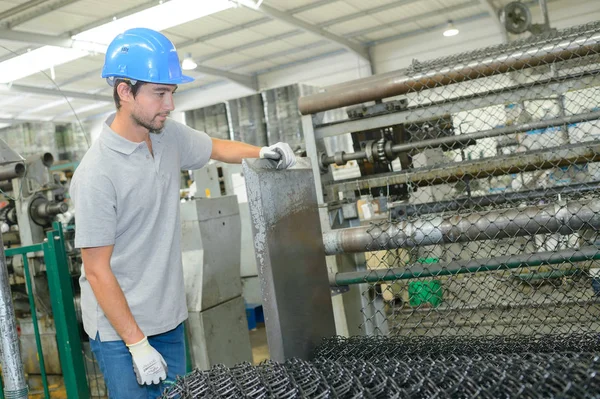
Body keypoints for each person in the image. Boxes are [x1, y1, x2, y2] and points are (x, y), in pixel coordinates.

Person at [70, 27, 296, 399]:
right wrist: (137, 344)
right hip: (121, 333)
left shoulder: (167, 135)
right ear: (125, 91)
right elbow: (96, 269)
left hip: (169, 319)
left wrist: (263, 153)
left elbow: (216, 148)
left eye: (171, 93)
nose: (169, 105)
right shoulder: (97, 174)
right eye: (159, 93)